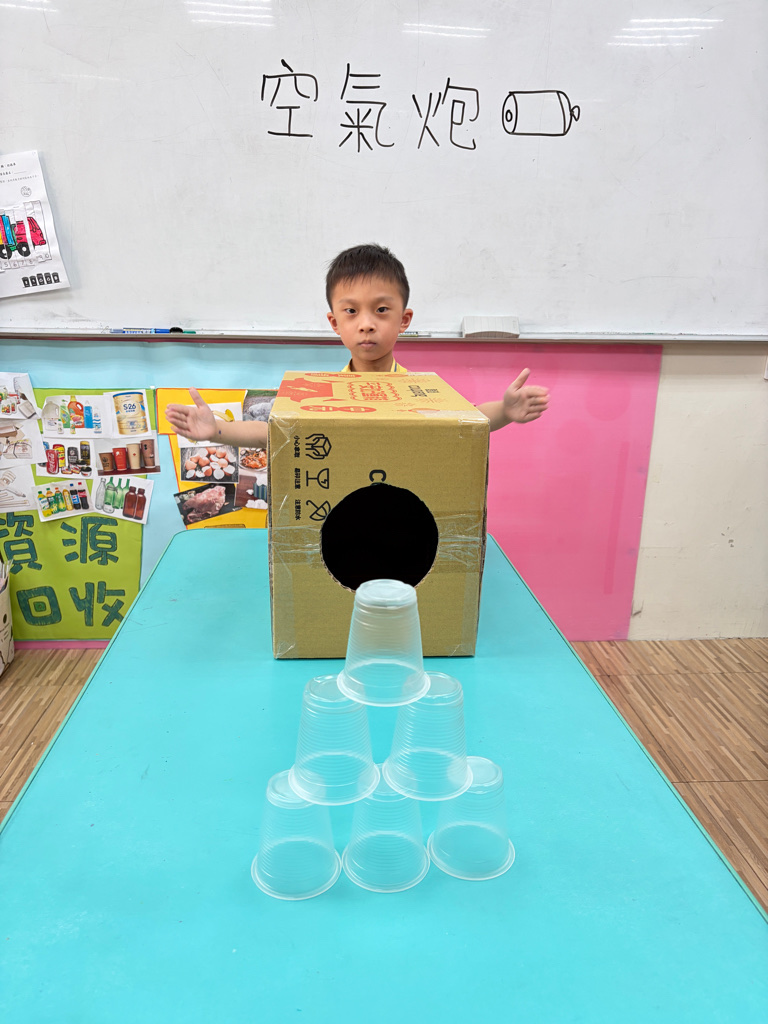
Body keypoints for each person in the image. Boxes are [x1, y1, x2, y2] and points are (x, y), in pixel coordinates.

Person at [164, 243, 549, 444]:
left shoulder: (419, 391)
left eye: (381, 310)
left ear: (403, 320)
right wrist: (217, 430)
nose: (366, 324)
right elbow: (274, 433)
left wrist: (505, 410)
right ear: (335, 322)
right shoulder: (322, 396)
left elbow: (467, 420)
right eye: (351, 312)